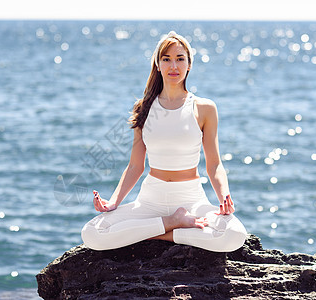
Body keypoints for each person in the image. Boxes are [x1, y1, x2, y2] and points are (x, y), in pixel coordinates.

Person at [81, 31, 247, 252]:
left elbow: (214, 165)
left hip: (191, 201)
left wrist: (224, 198)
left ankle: (156, 232)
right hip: (150, 201)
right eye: (166, 59)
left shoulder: (204, 108)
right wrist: (113, 203)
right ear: (158, 65)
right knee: (92, 234)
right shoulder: (144, 108)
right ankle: (171, 223)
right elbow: (135, 166)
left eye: (180, 58)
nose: (173, 66)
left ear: (189, 65)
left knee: (234, 235)